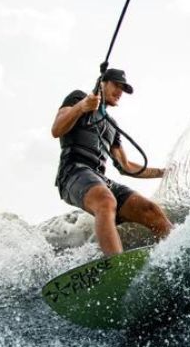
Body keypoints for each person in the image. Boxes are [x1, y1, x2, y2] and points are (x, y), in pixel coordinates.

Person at [52, 67, 172, 256]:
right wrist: (82, 107)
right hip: (72, 173)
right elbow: (56, 129)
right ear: (102, 83)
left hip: (97, 178)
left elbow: (126, 166)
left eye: (123, 89)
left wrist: (163, 172)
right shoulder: (77, 98)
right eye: (116, 85)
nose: (120, 92)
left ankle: (169, 260)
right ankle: (116, 266)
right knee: (105, 200)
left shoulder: (112, 125)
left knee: (151, 211)